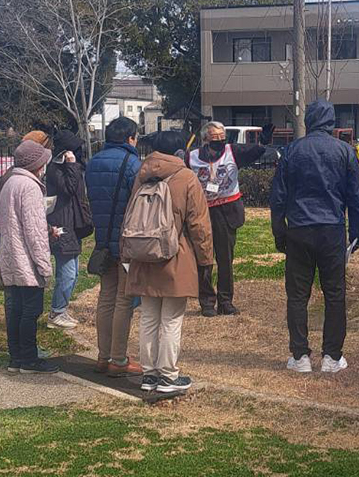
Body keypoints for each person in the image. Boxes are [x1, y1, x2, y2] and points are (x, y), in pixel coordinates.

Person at [270, 98, 359, 374]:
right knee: (335, 294)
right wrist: (357, 234)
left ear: (308, 121)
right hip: (331, 230)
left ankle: (300, 356)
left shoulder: (291, 151)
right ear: (332, 122)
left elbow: (278, 199)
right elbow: (355, 198)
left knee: (298, 295)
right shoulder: (345, 152)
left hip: (298, 229)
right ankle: (331, 357)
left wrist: (280, 233)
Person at [122, 129, 213, 395]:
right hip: (175, 255)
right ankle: (168, 375)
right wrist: (206, 260)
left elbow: (130, 216)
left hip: (142, 254)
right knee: (171, 319)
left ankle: (149, 373)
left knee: (149, 316)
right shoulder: (186, 178)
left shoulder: (142, 176)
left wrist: (126, 253)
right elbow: (199, 225)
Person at [187, 120, 274, 317]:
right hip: (202, 212)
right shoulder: (191, 157)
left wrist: (264, 141)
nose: (219, 141)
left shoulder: (232, 151)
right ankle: (207, 302)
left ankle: (225, 301)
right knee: (204, 258)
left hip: (227, 211)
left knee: (225, 259)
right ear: (204, 139)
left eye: (221, 137)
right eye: (214, 137)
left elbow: (256, 151)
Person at [85, 116, 143, 377]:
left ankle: (103, 355)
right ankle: (119, 359)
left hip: (103, 240)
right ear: (131, 137)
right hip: (126, 241)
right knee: (124, 300)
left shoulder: (93, 162)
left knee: (106, 297)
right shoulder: (132, 163)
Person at [0, 139, 60, 374]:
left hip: (10, 255)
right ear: (37, 164)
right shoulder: (30, 187)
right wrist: (44, 265)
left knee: (16, 309)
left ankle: (16, 357)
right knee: (31, 311)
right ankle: (29, 358)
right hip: (26, 259)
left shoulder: (10, 183)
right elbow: (34, 231)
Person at [45, 129, 93, 329]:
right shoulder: (56, 169)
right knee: (67, 272)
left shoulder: (68, 168)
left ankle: (61, 309)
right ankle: (57, 312)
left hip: (72, 223)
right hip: (61, 224)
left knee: (73, 271)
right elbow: (69, 189)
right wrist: (71, 164)